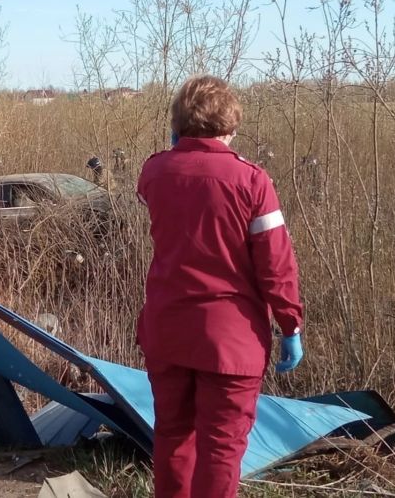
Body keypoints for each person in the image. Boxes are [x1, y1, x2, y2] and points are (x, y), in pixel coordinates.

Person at [136, 75, 304, 498]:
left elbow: (163, 187)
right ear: (229, 125)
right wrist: (290, 325)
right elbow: (276, 265)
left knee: (172, 436)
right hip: (232, 341)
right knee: (222, 450)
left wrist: (179, 143)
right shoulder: (251, 181)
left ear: (179, 124)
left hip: (168, 331)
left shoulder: (155, 171)